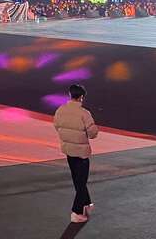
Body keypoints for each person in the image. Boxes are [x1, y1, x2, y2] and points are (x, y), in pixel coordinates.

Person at [53, 83, 99, 224]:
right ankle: (77, 212)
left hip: (69, 150)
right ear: (82, 97)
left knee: (78, 181)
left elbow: (57, 126)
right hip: (82, 153)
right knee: (81, 182)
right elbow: (93, 134)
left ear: (70, 95)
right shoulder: (84, 114)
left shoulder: (60, 110)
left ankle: (87, 203)